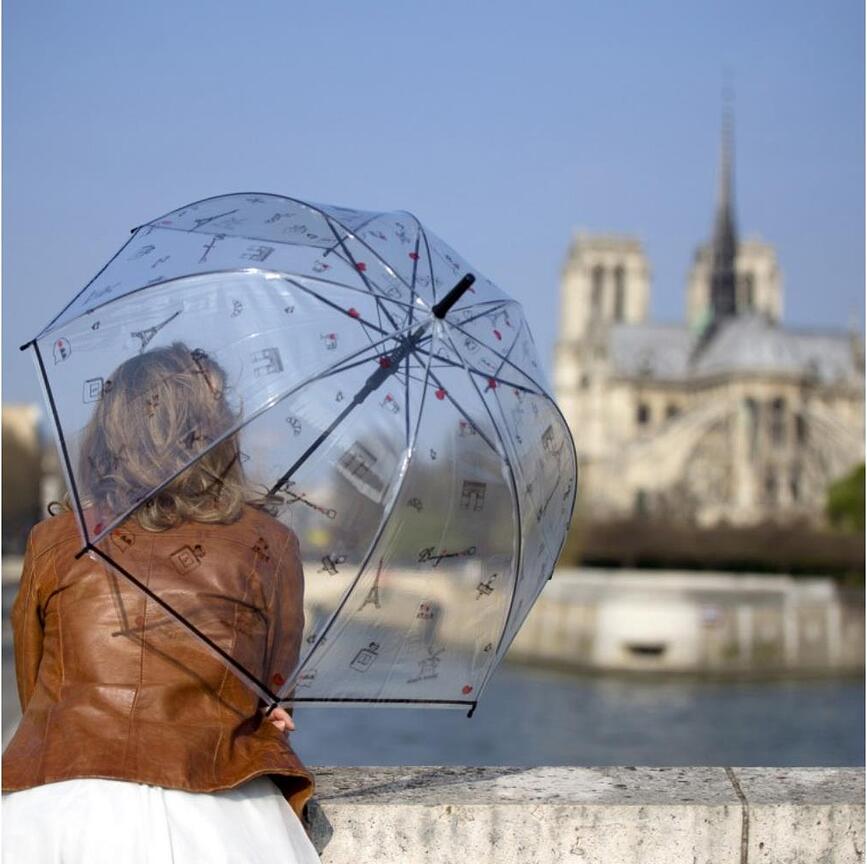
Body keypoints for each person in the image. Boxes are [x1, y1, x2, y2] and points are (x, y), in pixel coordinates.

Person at [2, 342, 321, 863]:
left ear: (112, 428)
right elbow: (273, 685)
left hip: (59, 812)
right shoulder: (269, 543)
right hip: (219, 809)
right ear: (212, 429)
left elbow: (34, 687)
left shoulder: (55, 540)